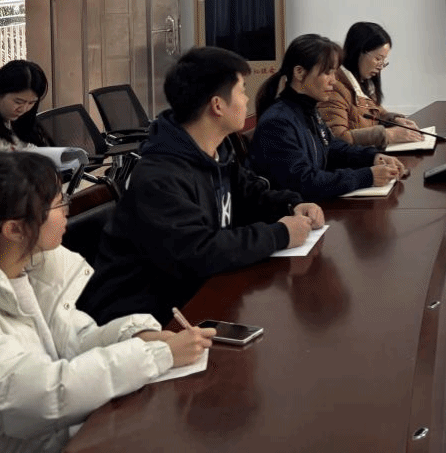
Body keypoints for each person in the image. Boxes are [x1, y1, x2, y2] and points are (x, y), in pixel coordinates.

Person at [0, 151, 211, 453]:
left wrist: (138, 337)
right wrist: (155, 357)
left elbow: (73, 340)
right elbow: (41, 397)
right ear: (14, 229)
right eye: (59, 202)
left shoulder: (28, 267)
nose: (68, 209)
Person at [77, 46, 325, 324]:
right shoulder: (159, 176)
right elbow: (200, 251)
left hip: (196, 298)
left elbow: (250, 194)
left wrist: (291, 205)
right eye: (242, 91)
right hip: (143, 322)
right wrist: (280, 234)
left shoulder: (216, 151)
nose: (247, 100)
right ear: (217, 105)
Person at [250, 33, 407, 200]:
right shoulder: (278, 122)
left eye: (334, 72)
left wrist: (373, 157)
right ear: (299, 72)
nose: (333, 80)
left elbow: (332, 149)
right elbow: (304, 182)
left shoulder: (308, 109)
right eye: (327, 73)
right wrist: (367, 176)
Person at [319, 21, 419, 148]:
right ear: (358, 52)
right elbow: (337, 139)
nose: (381, 67)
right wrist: (389, 135)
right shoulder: (334, 88)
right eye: (378, 59)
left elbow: (378, 112)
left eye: (384, 61)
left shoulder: (363, 83)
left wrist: (395, 120)